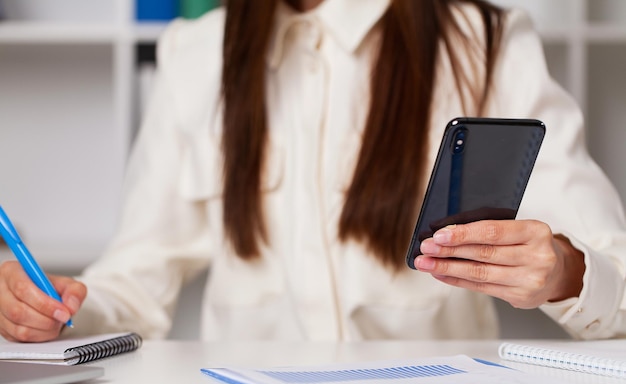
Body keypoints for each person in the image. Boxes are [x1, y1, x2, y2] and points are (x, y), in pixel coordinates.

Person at [1, 0, 626, 343]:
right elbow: (135, 285)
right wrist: (57, 307)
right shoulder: (194, 54)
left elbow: (615, 279)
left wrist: (563, 272)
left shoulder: (485, 41)